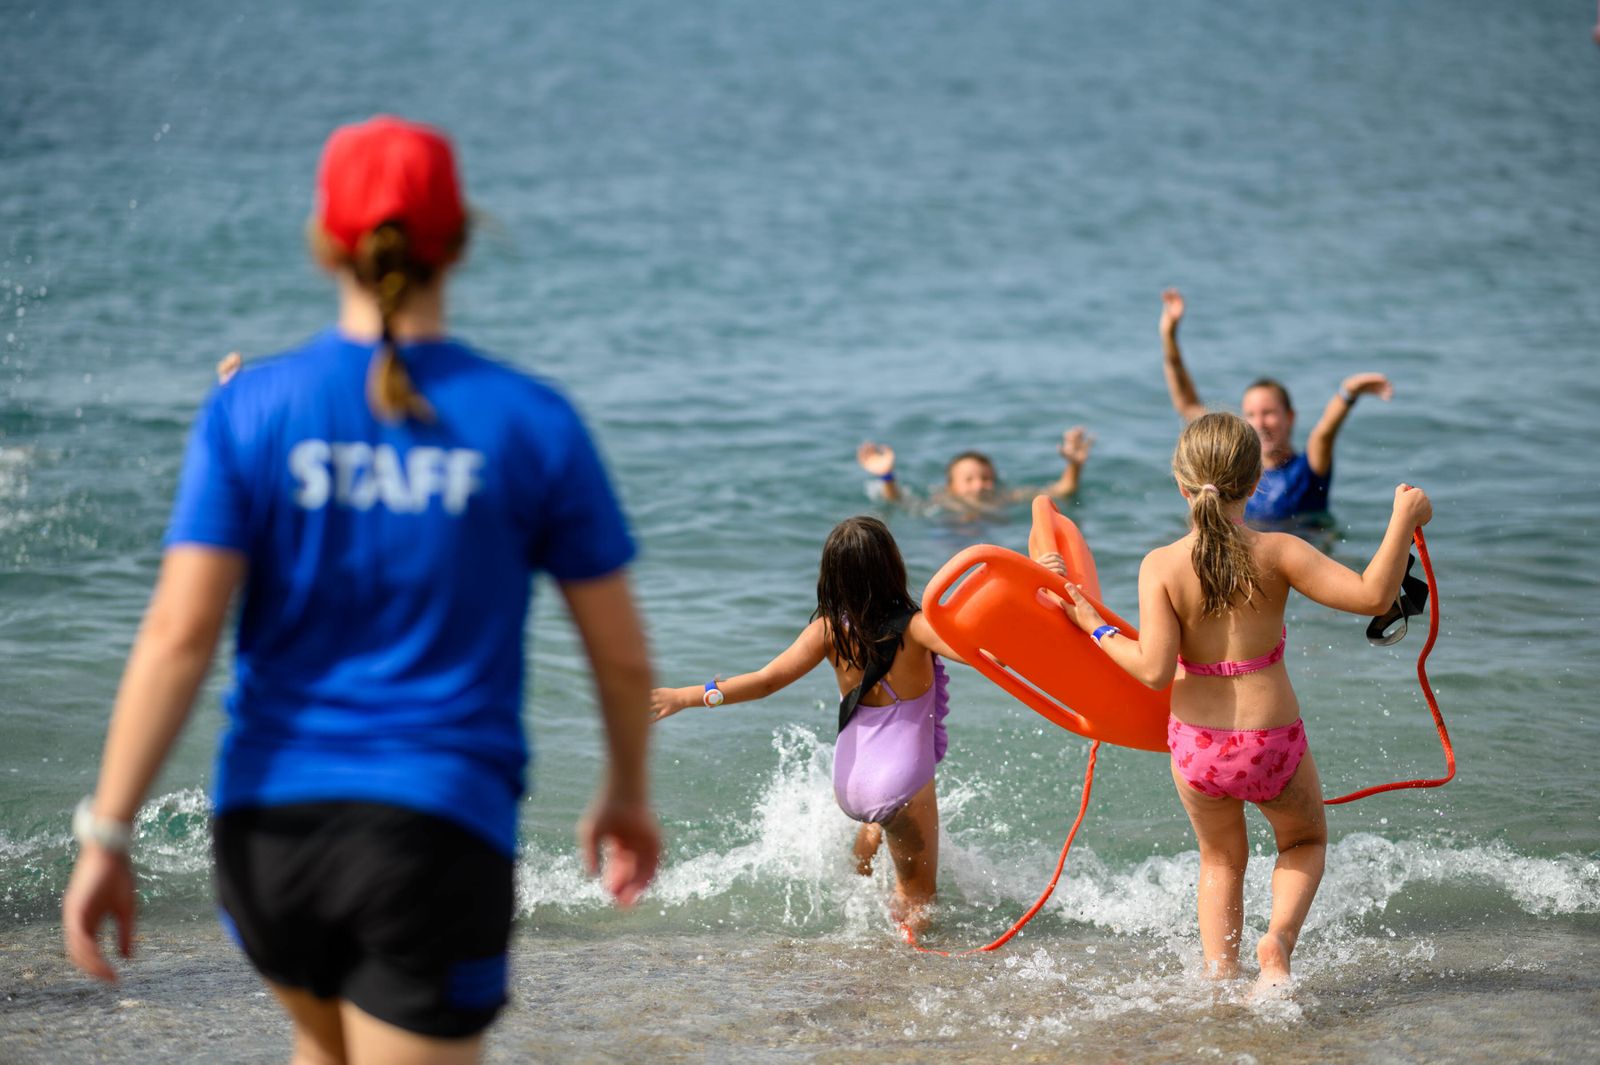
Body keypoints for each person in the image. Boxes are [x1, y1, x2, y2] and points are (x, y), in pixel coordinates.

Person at [61, 116, 660, 1064]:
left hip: (266, 840)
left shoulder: (250, 409)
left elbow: (178, 634)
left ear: (324, 242)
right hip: (430, 834)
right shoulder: (532, 422)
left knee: (324, 1044)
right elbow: (622, 655)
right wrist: (626, 790)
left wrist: (108, 830)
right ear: (460, 242)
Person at [1047, 412, 1430, 992]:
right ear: (1254, 484)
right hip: (1271, 739)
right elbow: (1374, 594)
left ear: (1181, 484)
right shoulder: (1280, 552)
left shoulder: (1161, 565)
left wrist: (1093, 625)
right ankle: (1276, 944)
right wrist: (1402, 519)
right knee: (1304, 841)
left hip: (1197, 750)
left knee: (1221, 861)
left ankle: (1219, 977)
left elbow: (1152, 669)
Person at [651, 515, 963, 933]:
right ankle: (903, 964)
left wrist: (684, 696)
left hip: (852, 780)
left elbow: (764, 683)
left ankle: (860, 878)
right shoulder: (919, 628)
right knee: (919, 896)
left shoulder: (828, 631)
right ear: (894, 564)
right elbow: (990, 655)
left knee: (877, 818)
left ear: (832, 575)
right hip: (900, 782)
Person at [1159, 288, 1393, 523]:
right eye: (1251, 415)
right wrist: (1169, 336)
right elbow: (1188, 405)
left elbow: (1324, 433)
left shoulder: (1307, 470)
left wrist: (1347, 393)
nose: (1259, 423)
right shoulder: (1233, 471)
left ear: (1290, 417)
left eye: (1268, 413)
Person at [856, 427, 1093, 513]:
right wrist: (887, 476)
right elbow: (899, 502)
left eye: (986, 478)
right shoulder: (943, 501)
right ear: (951, 486)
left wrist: (1075, 465)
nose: (979, 485)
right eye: (969, 479)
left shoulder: (1005, 497)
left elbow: (1062, 491)